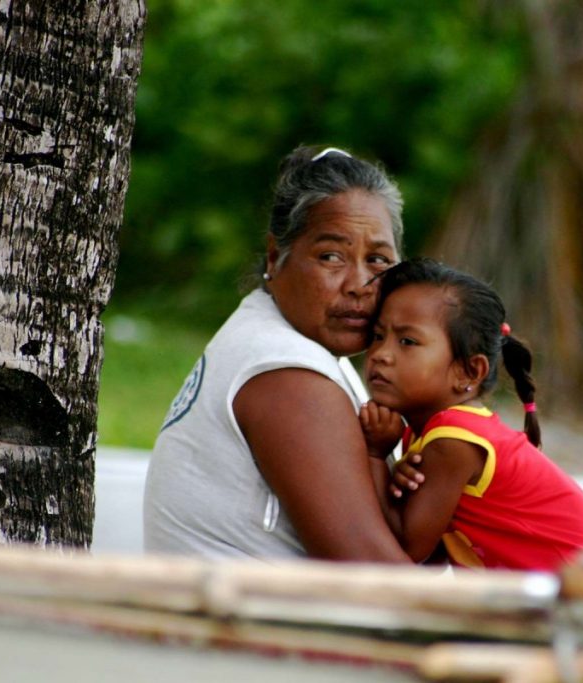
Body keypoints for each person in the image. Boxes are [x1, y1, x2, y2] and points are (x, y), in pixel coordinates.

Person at [143, 145, 410, 562]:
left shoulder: (278, 338)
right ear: (275, 256)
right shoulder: (288, 374)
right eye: (331, 257)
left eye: (378, 260)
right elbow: (374, 576)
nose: (360, 284)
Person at [359, 258, 583, 571]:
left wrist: (375, 455)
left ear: (469, 371)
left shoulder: (453, 437)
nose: (381, 354)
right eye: (378, 336)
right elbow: (433, 544)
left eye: (407, 342)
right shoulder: (434, 432)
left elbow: (410, 549)